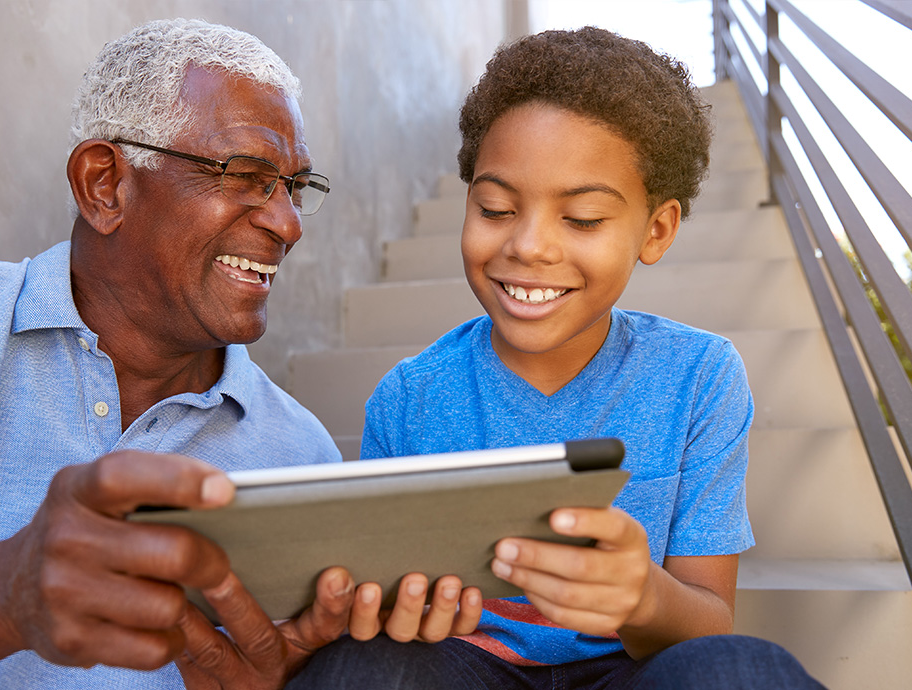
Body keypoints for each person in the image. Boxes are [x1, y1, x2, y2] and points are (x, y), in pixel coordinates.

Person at [0, 18, 478, 690]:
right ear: (104, 185)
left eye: (295, 186)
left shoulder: (302, 457)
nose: (288, 224)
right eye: (246, 176)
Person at [287, 27, 827, 689]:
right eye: (495, 208)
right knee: (356, 669)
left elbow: (709, 623)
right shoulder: (409, 398)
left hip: (632, 670)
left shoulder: (699, 377)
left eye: (583, 218)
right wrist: (392, 615)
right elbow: (386, 600)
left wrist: (643, 597)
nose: (529, 245)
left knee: (746, 669)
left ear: (656, 230)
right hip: (467, 668)